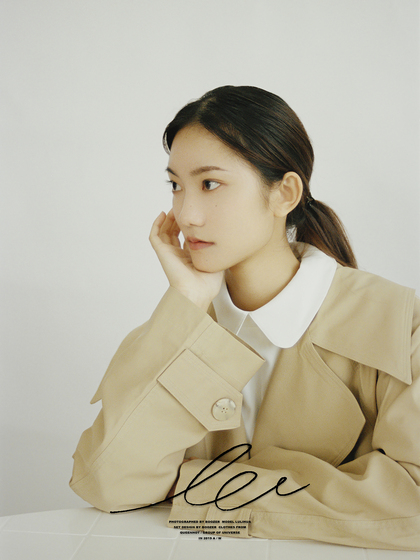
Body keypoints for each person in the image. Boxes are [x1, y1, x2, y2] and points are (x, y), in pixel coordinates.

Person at [70, 86, 420, 550]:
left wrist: (200, 488)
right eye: (176, 185)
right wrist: (186, 304)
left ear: (284, 193)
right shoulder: (182, 325)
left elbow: (412, 505)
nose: (186, 215)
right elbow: (107, 483)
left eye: (210, 184)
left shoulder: (400, 325)